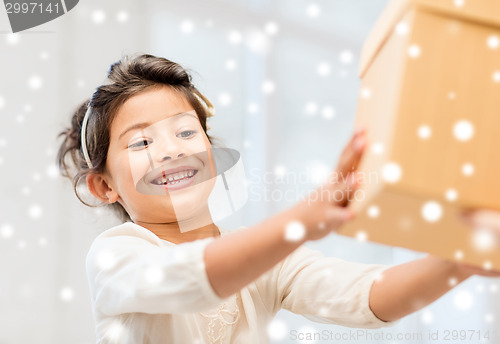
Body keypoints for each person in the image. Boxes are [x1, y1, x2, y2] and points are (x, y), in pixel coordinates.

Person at [57, 53, 500, 344]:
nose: (171, 149)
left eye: (186, 131)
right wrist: (302, 220)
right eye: (141, 143)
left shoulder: (264, 256)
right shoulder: (116, 256)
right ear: (105, 187)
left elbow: (366, 295)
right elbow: (191, 278)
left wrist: (456, 262)